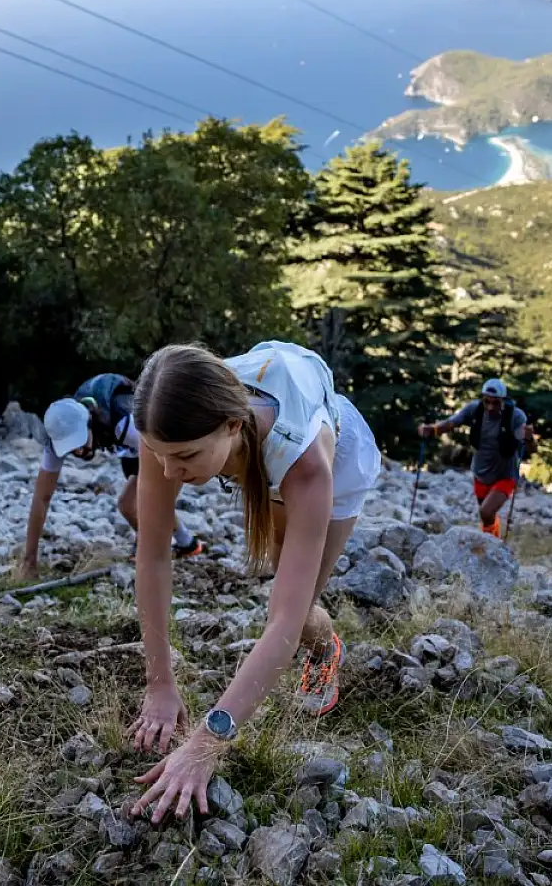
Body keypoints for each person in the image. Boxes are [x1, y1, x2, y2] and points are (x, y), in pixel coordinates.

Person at [126, 340, 381, 825]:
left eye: (184, 457)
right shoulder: (164, 422)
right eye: (159, 454)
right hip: (255, 446)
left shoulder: (305, 464)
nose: (168, 471)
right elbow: (154, 555)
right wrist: (159, 683)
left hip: (336, 455)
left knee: (294, 610)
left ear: (231, 425)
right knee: (282, 588)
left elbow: (283, 622)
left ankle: (326, 649)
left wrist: (206, 743)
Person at [15, 373, 203, 582]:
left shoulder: (125, 422)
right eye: (70, 448)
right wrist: (29, 560)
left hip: (166, 444)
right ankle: (187, 544)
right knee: (129, 507)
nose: (78, 452)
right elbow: (41, 498)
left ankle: (159, 554)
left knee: (143, 504)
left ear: (90, 422)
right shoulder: (58, 434)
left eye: (80, 442)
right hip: (132, 449)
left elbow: (170, 453)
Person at [418, 378, 530, 537]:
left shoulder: (515, 417)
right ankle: (492, 540)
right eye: (487, 401)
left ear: (503, 400)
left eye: (495, 403)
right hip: (480, 473)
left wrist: (529, 438)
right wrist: (432, 429)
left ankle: (492, 544)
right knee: (486, 517)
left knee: (486, 511)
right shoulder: (474, 410)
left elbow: (528, 445)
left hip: (505, 475)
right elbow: (451, 423)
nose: (490, 406)